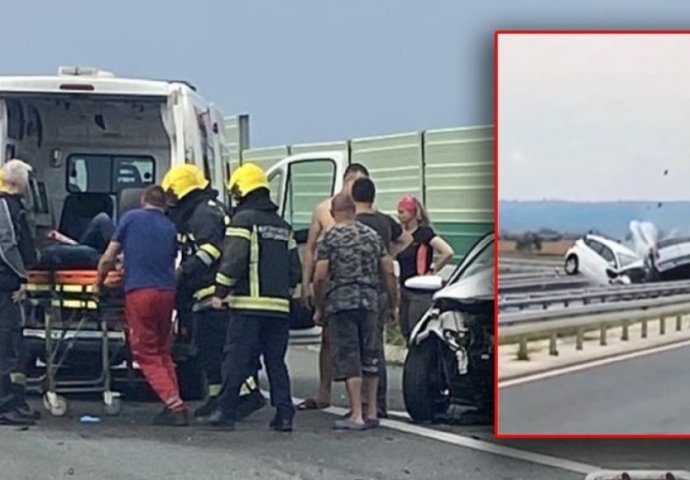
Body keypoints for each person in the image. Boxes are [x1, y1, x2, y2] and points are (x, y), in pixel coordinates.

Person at [198, 163, 301, 432]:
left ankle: (226, 411)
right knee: (276, 362)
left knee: (235, 358)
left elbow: (233, 261)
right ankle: (284, 414)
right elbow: (294, 270)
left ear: (241, 191)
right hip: (279, 308)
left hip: (248, 306)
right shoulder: (283, 226)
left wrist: (220, 294)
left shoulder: (242, 221)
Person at [161, 164, 266, 420]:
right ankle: (217, 398)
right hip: (205, 295)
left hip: (214, 294)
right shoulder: (204, 210)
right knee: (209, 353)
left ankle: (249, 394)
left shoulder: (202, 215)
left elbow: (212, 249)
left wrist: (183, 271)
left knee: (221, 350)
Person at [95, 185, 188, 426]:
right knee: (162, 350)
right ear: (165, 204)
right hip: (166, 293)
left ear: (143, 200)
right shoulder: (169, 227)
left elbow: (108, 257)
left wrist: (99, 283)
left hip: (140, 292)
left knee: (145, 352)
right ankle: (175, 398)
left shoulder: (130, 218)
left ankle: (174, 405)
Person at [312, 193, 397, 430]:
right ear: (353, 210)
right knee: (370, 355)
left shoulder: (329, 237)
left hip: (341, 302)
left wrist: (319, 306)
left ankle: (356, 414)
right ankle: (371, 412)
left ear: (332, 213)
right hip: (370, 301)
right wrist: (393, 303)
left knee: (350, 355)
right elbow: (388, 271)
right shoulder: (372, 236)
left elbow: (320, 276)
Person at [297, 163, 370, 412]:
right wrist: (307, 284)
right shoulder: (324, 209)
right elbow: (311, 248)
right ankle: (324, 390)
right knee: (328, 340)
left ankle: (363, 402)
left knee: (363, 343)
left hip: (361, 285)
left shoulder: (370, 212)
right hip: (331, 284)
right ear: (346, 181)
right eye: (354, 182)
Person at [350, 177, 411, 418]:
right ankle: (379, 402)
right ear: (373, 197)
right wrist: (387, 254)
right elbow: (406, 239)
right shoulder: (385, 221)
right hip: (382, 287)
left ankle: (362, 405)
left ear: (354, 197)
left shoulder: (352, 223)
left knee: (356, 347)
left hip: (357, 288)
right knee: (375, 347)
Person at [0, 159, 40, 426]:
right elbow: (7, 245)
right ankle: (5, 407)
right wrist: (21, 278)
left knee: (13, 345)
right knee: (5, 346)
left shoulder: (11, 205)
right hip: (5, 285)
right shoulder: (4, 205)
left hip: (6, 283)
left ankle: (14, 401)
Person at [396, 195, 454, 342]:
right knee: (405, 328)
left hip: (419, 291)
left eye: (402, 212)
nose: (399, 215)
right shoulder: (400, 235)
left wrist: (433, 269)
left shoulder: (424, 233)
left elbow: (447, 252)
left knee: (416, 329)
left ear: (413, 213)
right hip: (404, 288)